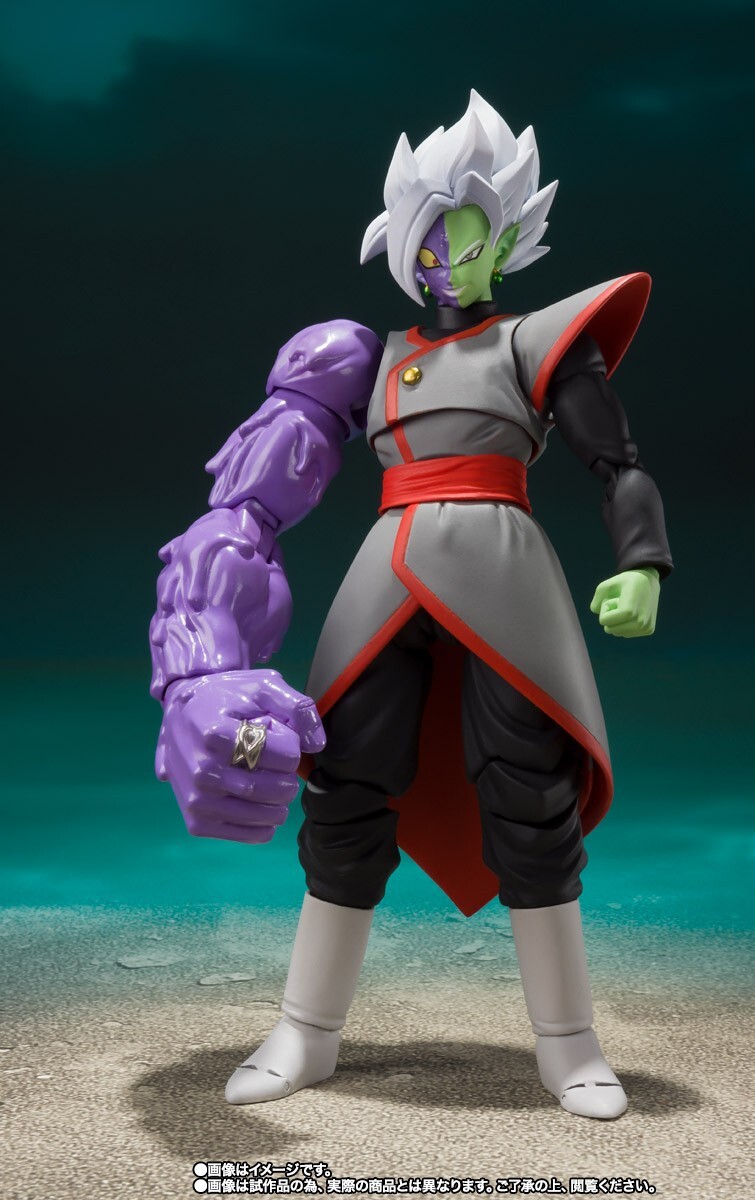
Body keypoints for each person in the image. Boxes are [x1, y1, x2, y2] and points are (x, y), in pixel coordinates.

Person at [151, 90, 672, 1121]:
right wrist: (199, 663)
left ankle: (568, 1042)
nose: (443, 263)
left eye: (465, 241)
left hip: (503, 572)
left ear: (506, 241)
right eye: (427, 240)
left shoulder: (536, 344)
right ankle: (306, 1028)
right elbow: (244, 513)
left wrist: (643, 562)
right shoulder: (360, 357)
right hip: (386, 576)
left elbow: (617, 463)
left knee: (530, 797)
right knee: (343, 789)